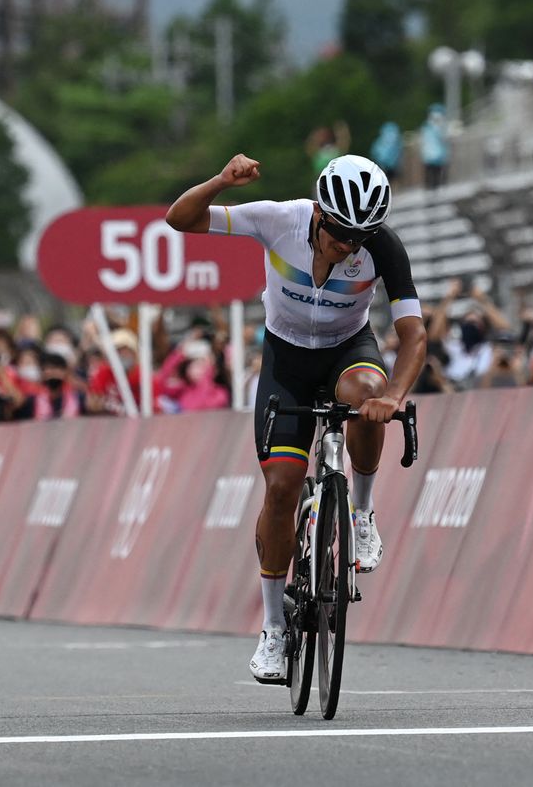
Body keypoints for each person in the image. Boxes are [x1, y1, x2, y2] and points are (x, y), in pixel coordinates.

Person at [166, 153, 426, 683]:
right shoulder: (279, 219)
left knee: (369, 393)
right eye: (341, 234)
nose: (350, 246)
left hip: (346, 350)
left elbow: (413, 335)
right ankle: (273, 629)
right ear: (319, 215)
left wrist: (395, 396)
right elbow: (181, 220)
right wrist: (220, 181)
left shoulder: (381, 246)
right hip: (285, 360)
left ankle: (361, 512)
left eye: (362, 236)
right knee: (282, 488)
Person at [419, 105, 448, 190]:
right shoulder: (440, 127)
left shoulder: (426, 126)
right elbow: (444, 139)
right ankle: (433, 188)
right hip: (435, 154)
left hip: (429, 154)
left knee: (431, 172)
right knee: (435, 172)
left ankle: (431, 188)